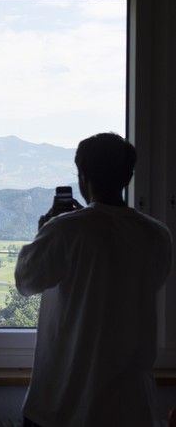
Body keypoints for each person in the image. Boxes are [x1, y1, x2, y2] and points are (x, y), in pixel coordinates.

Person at [15, 133, 172, 427]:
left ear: (82, 176)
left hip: (63, 403)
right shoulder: (158, 235)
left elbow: (26, 280)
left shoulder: (65, 230)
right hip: (131, 409)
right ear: (128, 176)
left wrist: (44, 231)